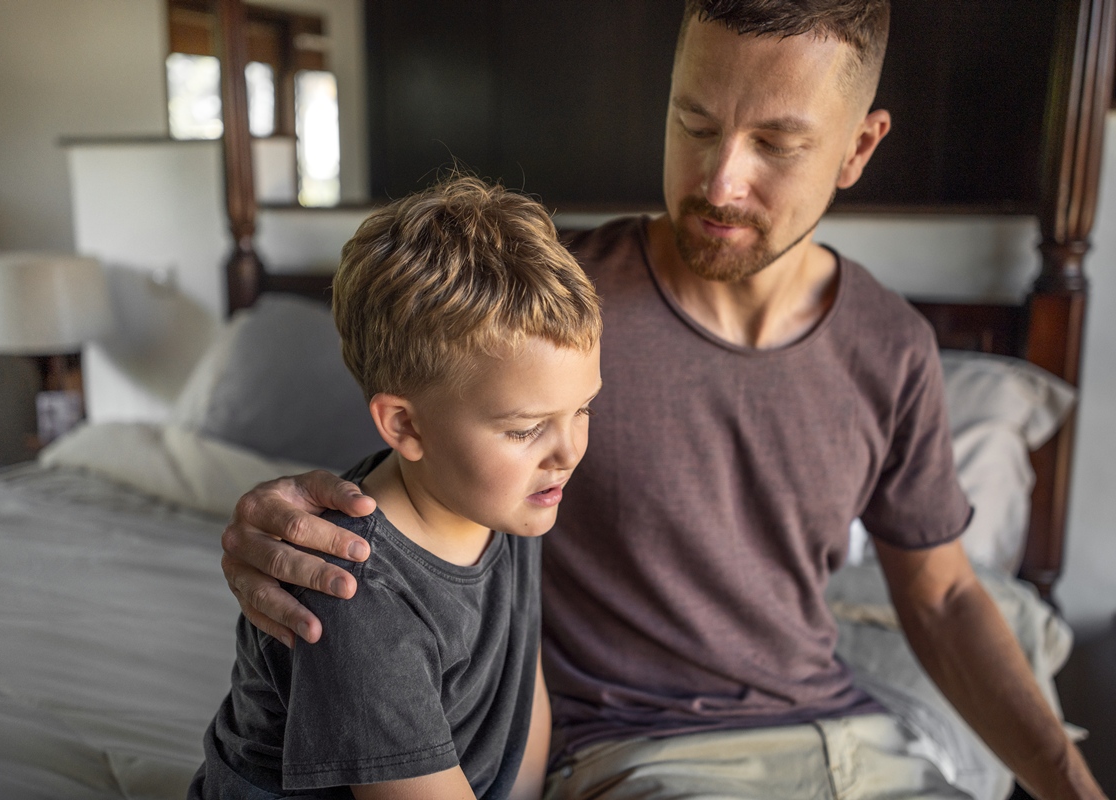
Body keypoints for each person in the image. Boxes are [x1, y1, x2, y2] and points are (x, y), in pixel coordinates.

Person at [219, 2, 1106, 798]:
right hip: (650, 754)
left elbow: (945, 600)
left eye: (776, 144)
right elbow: (417, 477)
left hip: (860, 740)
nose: (719, 182)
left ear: (858, 148)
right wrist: (274, 517)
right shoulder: (550, 316)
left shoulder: (893, 346)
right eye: (695, 124)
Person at [190, 176, 603, 800]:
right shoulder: (357, 593)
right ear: (405, 426)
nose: (568, 452)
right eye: (525, 429)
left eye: (583, 410)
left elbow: (522, 706)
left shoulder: (508, 498)